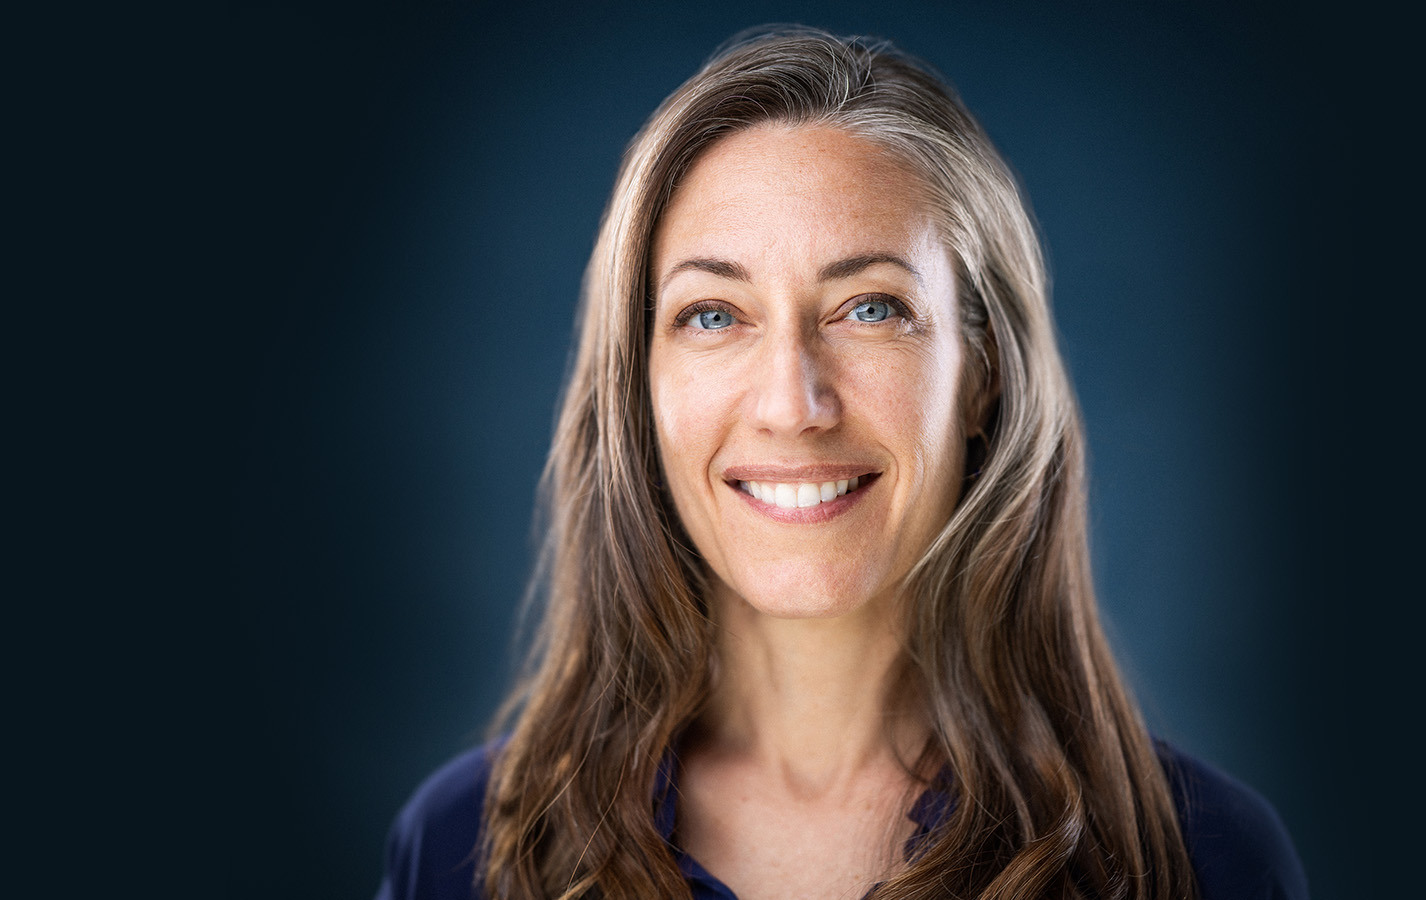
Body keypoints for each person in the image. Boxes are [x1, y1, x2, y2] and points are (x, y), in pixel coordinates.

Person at [378, 26, 1307, 900]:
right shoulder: (466, 849)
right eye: (714, 315)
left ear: (984, 375)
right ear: (639, 386)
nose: (792, 404)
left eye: (870, 308)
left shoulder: (1202, 860)